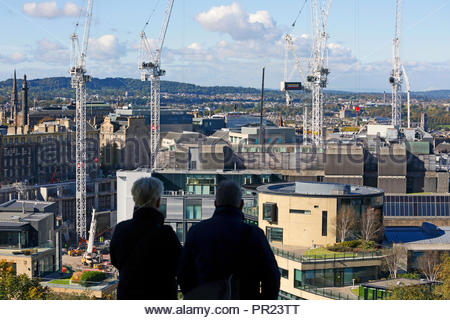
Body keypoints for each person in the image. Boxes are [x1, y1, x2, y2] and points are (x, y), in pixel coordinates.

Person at [178, 180, 280, 299]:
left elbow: (183, 273)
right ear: (241, 204)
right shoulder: (254, 234)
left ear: (215, 204)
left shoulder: (196, 231)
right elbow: (272, 276)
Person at [110, 177, 181, 299]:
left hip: (128, 296)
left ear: (135, 200)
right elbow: (179, 267)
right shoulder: (166, 234)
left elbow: (115, 261)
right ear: (158, 202)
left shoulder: (121, 229)